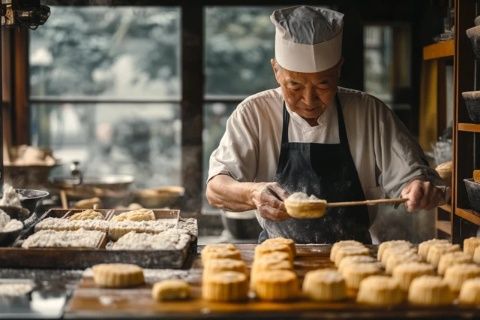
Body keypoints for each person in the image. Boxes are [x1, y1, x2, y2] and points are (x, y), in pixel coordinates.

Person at [206, 6, 447, 244]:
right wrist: (253, 193)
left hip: (355, 256)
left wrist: (418, 188)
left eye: (323, 85)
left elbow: (413, 177)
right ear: (276, 70)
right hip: (278, 254)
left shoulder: (370, 113)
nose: (309, 100)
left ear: (339, 69)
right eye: (295, 86)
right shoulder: (254, 113)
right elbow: (216, 188)